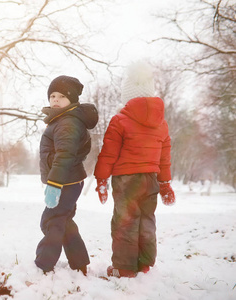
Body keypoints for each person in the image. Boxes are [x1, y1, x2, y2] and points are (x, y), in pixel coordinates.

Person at [93, 61, 176, 278]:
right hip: (150, 179)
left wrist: (101, 180)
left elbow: (108, 154)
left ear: (126, 94)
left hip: (126, 180)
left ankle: (124, 268)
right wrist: (165, 183)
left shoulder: (119, 120)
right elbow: (164, 157)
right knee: (147, 220)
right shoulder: (161, 123)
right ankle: (145, 263)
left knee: (125, 222)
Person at [35, 75, 98, 275]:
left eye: (61, 96)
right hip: (68, 179)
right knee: (64, 220)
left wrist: (54, 184)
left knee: (52, 220)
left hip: (65, 181)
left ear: (71, 100)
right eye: (52, 95)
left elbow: (64, 155)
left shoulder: (68, 122)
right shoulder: (61, 119)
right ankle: (79, 263)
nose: (55, 99)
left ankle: (43, 265)